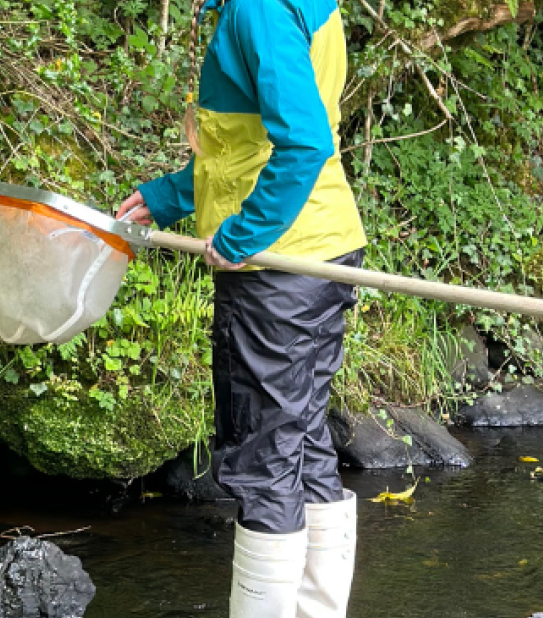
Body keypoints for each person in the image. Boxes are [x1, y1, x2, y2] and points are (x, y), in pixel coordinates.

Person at [116, 0, 367, 616]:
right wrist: (169, 196)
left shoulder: (257, 8)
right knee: (302, 445)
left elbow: (303, 144)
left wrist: (240, 236)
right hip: (325, 249)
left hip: (280, 271)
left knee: (264, 462)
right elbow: (247, 147)